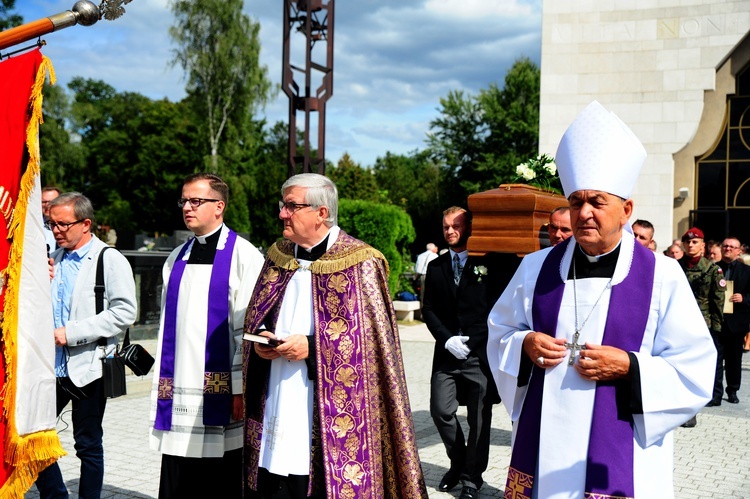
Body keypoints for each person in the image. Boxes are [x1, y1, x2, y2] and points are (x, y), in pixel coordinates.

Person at [486, 101, 715, 498]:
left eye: (597, 202)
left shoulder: (662, 275)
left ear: (626, 210)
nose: (585, 213)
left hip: (622, 448)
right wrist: (525, 343)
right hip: (544, 445)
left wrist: (629, 366)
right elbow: (499, 330)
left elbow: (696, 369)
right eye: (576, 202)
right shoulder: (536, 267)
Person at [242, 173, 427, 498]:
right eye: (282, 205)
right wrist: (261, 339)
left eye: (291, 206)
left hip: (330, 409)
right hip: (276, 390)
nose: (282, 213)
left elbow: (373, 347)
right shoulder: (278, 255)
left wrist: (312, 348)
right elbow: (259, 311)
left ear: (321, 213)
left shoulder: (361, 262)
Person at [149, 173, 264, 498]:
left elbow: (248, 328)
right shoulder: (176, 258)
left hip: (221, 386)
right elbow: (168, 329)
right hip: (180, 385)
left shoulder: (244, 256)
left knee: (220, 473)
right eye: (184, 200)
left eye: (195, 201)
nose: (187, 207)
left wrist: (240, 388)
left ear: (219, 206)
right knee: (177, 469)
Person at [36, 192, 137, 498]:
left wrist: (72, 332)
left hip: (89, 367)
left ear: (86, 224)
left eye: (63, 224)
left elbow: (125, 312)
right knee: (32, 435)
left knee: (88, 444)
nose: (56, 230)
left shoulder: (109, 259)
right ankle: (55, 494)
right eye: (51, 223)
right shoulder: (54, 259)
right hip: (50, 367)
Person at [421, 207, 519, 499]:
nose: (450, 231)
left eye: (456, 225)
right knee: (441, 411)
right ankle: (458, 461)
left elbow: (497, 310)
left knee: (479, 419)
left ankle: (471, 480)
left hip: (478, 354)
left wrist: (473, 340)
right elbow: (428, 309)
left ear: (469, 228)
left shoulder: (489, 264)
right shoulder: (436, 266)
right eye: (445, 226)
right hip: (446, 354)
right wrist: (447, 339)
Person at [678, 227, 725, 424]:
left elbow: (718, 301)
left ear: (703, 245)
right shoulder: (675, 266)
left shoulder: (712, 270)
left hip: (702, 325)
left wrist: (717, 329)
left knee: (697, 368)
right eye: (688, 242)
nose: (691, 245)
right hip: (678, 323)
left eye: (695, 242)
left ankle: (691, 412)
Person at [713, 237, 750, 404]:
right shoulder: (713, 268)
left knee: (734, 359)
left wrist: (744, 298)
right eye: (725, 245)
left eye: (732, 246)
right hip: (716, 322)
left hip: (736, 323)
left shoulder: (747, 271)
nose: (728, 248)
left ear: (739, 251)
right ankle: (716, 394)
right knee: (715, 359)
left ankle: (733, 390)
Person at [41, 186, 61, 253]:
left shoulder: (69, 225)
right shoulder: (32, 225)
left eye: (51, 202)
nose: (47, 205)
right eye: (44, 202)